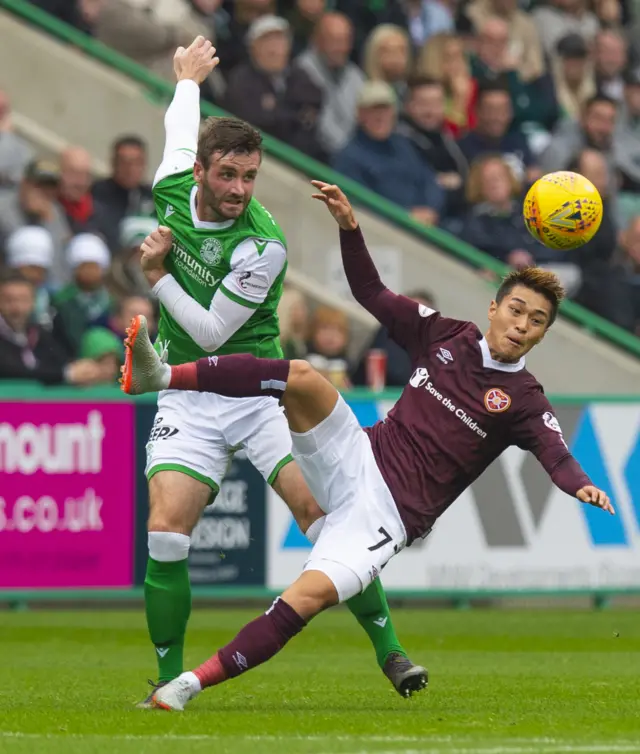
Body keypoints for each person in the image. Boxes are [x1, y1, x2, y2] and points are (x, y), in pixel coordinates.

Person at [121, 181, 613, 712]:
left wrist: (581, 484)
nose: (522, 325)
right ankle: (165, 373)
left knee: (304, 599)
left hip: (384, 516)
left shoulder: (523, 399)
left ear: (542, 335)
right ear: (493, 308)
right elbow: (371, 294)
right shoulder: (446, 334)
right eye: (516, 310)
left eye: (536, 321)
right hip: (355, 452)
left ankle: (186, 686)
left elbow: (555, 455)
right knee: (305, 376)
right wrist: (349, 228)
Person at [132, 36, 422, 706]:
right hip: (188, 397)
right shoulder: (172, 188)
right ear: (200, 172)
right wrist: (185, 81)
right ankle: (168, 676)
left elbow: (209, 334)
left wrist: (156, 278)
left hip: (257, 389)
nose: (239, 189)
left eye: (250, 177)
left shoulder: (263, 243)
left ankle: (392, 653)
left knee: (324, 522)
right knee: (166, 533)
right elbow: (179, 131)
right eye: (228, 175)